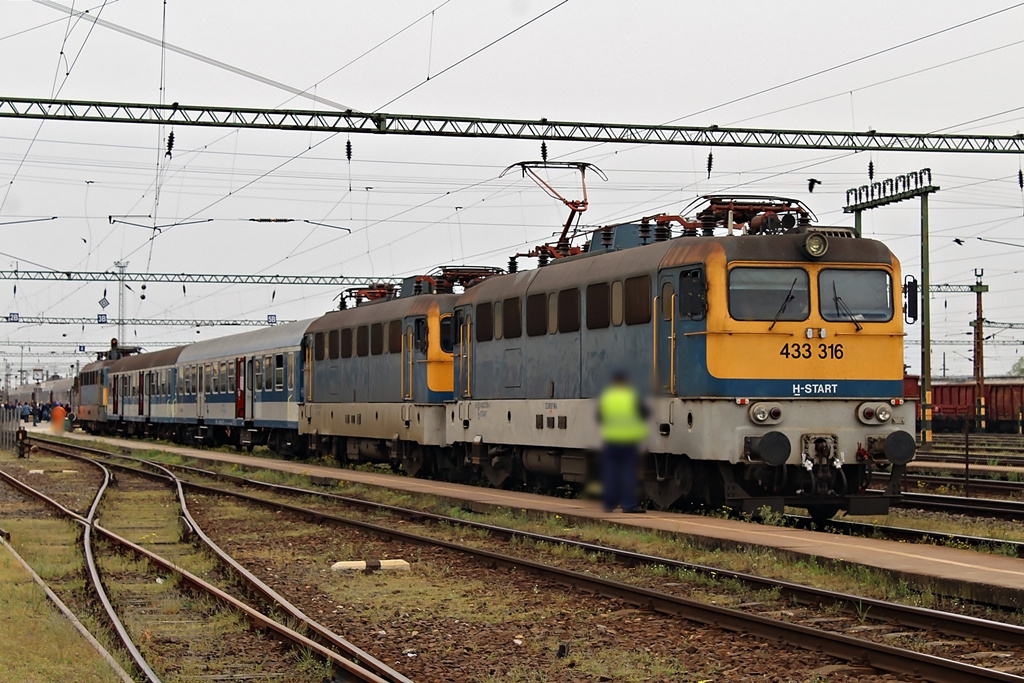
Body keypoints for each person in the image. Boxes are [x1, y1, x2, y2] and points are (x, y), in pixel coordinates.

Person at [598, 370, 649, 513]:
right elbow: (644, 413)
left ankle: (609, 505)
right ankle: (628, 505)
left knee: (611, 473)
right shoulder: (632, 396)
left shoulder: (607, 397)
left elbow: (600, 416)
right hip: (628, 441)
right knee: (628, 474)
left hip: (611, 440)